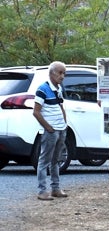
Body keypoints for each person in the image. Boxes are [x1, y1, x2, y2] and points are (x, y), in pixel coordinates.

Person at [33, 61, 68, 201]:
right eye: (60, 73)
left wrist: (64, 123)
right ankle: (42, 191)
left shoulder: (58, 88)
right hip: (51, 131)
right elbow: (36, 112)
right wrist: (48, 127)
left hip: (61, 129)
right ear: (51, 73)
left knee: (56, 160)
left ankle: (55, 188)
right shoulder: (42, 89)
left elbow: (60, 106)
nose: (62, 76)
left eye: (64, 73)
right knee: (44, 160)